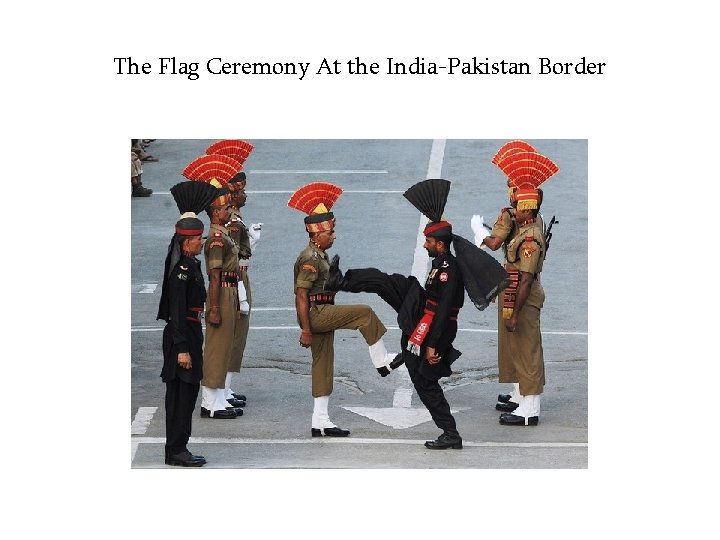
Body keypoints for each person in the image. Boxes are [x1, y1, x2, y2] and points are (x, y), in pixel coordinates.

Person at [326, 178, 471, 449]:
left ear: (440, 244)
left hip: (434, 324)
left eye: (428, 241)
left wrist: (433, 345)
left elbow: (442, 315)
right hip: (424, 311)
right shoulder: (439, 262)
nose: (424, 245)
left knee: (425, 382)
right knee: (386, 281)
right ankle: (342, 281)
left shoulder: (449, 272)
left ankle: (450, 433)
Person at [288, 182, 399, 437]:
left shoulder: (321, 256)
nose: (334, 236)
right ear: (316, 234)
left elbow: (318, 290)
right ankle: (382, 361)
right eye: (330, 233)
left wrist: (335, 284)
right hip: (317, 315)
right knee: (364, 313)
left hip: (322, 310)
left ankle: (320, 421)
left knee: (323, 364)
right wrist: (305, 329)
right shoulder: (310, 258)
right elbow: (301, 295)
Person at [478, 144, 558, 426]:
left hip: (523, 292)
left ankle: (530, 408)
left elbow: (525, 279)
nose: (512, 206)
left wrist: (514, 312)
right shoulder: (525, 222)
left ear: (525, 208)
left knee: (528, 348)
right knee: (515, 346)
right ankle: (522, 396)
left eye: (516, 204)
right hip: (512, 287)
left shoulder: (530, 240)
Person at [156, 181, 221, 466]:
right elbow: (177, 310)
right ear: (186, 242)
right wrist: (182, 347)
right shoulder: (181, 270)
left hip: (191, 333)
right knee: (181, 396)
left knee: (189, 391)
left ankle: (179, 447)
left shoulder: (191, 264)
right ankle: (176, 450)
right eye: (199, 239)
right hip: (181, 336)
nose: (202, 242)